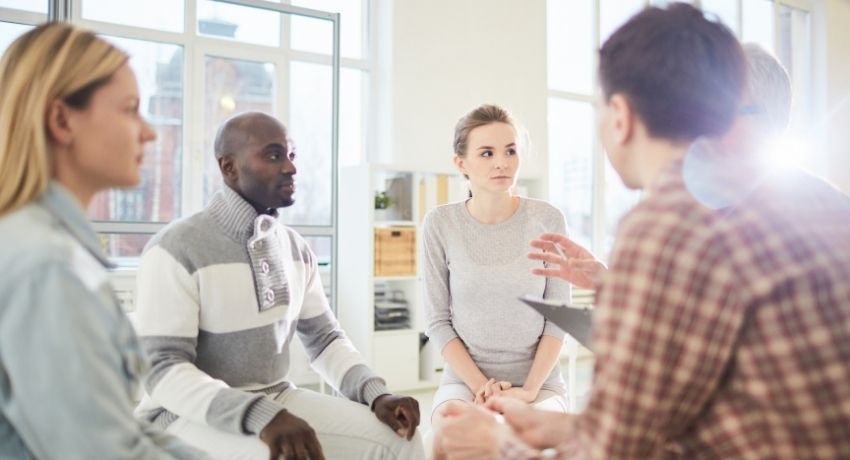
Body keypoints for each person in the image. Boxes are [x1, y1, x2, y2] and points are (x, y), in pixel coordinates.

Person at [438, 4, 850, 459]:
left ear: (622, 116)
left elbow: (614, 452)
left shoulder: (667, 223)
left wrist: (501, 445)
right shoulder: (825, 200)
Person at [133, 111, 424, 460]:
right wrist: (259, 415)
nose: (291, 167)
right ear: (229, 167)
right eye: (273, 155)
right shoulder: (176, 248)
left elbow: (325, 340)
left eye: (292, 155)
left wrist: (377, 394)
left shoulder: (296, 249)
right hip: (182, 415)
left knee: (400, 438)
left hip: (277, 396)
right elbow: (163, 368)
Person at [0, 23, 208, 459]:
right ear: (62, 119)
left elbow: (115, 426)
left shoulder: (43, 243)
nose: (149, 133)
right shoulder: (48, 266)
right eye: (130, 109)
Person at [422, 105, 572, 448]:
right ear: (461, 163)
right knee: (449, 444)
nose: (501, 162)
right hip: (464, 383)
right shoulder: (440, 224)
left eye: (510, 151)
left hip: (541, 385)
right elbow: (437, 321)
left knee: (529, 446)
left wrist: (531, 390)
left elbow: (558, 319)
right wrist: (480, 387)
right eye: (486, 153)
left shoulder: (548, 219)